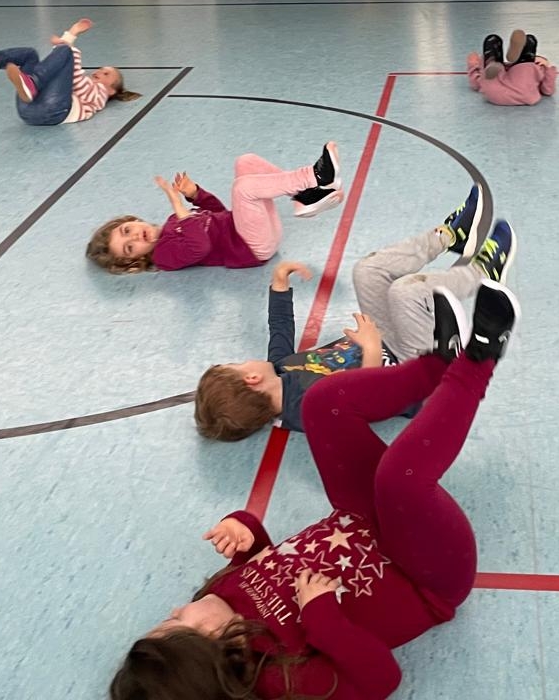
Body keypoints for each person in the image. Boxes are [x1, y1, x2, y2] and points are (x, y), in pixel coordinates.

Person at [109, 279, 521, 700]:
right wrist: (323, 620)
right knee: (399, 478)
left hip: (359, 518)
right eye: (177, 621)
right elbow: (382, 680)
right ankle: (479, 359)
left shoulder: (219, 599)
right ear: (209, 642)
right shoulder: (282, 680)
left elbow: (268, 564)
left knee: (321, 404)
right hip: (426, 574)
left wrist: (246, 530)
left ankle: (437, 366)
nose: (177, 608)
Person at [192, 190, 516, 441]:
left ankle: (449, 235)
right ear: (251, 380)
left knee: (367, 271)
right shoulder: (308, 410)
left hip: (387, 343)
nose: (243, 360)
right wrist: (371, 347)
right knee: (405, 292)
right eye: (236, 365)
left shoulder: (280, 370)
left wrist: (279, 285)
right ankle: (484, 270)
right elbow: (370, 402)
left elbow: (279, 332)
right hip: (413, 374)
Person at [86, 144, 342, 275]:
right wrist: (178, 206)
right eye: (129, 246)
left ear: (133, 220)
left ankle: (305, 198)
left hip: (252, 231)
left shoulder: (173, 222)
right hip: (252, 248)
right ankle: (314, 177)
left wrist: (195, 195)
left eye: (127, 230)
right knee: (243, 188)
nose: (134, 236)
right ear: (135, 260)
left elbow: (217, 214)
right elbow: (200, 246)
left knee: (246, 162)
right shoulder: (164, 256)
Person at [0, 20, 138, 126]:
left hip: (54, 112)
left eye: (106, 74)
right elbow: (61, 66)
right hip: (28, 110)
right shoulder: (85, 86)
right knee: (30, 54)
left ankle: (33, 83)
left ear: (111, 90)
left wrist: (71, 36)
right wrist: (66, 43)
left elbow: (73, 73)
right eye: (101, 69)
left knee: (67, 54)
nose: (99, 72)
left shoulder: (99, 96)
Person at [467, 29, 556, 106]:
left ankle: (492, 60)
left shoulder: (497, 68)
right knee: (529, 44)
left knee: (492, 40)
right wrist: (548, 68)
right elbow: (548, 91)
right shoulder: (538, 66)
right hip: (523, 91)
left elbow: (476, 85)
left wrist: (473, 65)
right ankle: (513, 56)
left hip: (495, 93)